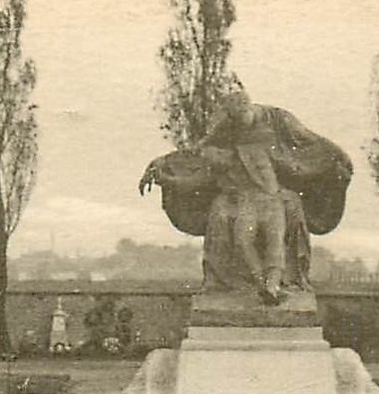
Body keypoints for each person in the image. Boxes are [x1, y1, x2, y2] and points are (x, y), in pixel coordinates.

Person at [139, 89, 351, 304]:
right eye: (235, 122)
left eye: (243, 119)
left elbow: (313, 143)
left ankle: (276, 283)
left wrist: (339, 156)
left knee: (277, 234)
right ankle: (255, 285)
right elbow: (197, 155)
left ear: (250, 108)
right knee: (234, 230)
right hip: (243, 199)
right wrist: (162, 167)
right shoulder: (227, 132)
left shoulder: (279, 119)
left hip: (275, 194)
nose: (239, 126)